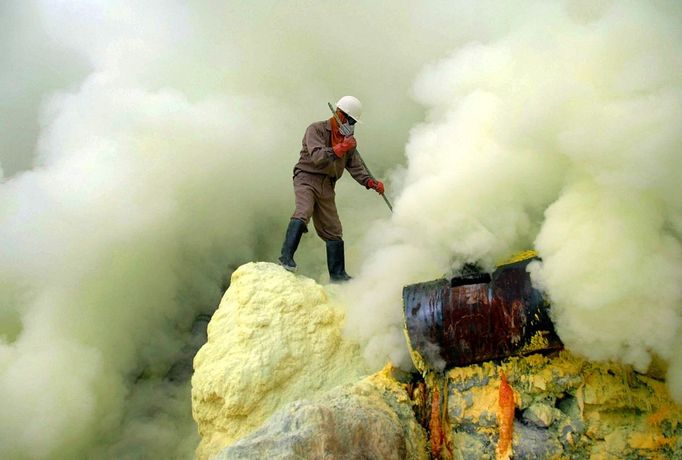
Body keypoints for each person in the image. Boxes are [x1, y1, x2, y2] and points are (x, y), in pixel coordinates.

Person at [278, 96, 385, 282]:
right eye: (350, 120)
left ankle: (338, 275)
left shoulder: (348, 141)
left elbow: (356, 168)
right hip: (307, 177)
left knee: (333, 229)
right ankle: (285, 258)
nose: (351, 125)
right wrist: (342, 147)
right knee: (304, 210)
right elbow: (318, 157)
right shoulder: (316, 129)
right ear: (339, 115)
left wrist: (371, 182)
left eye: (353, 123)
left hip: (328, 184)